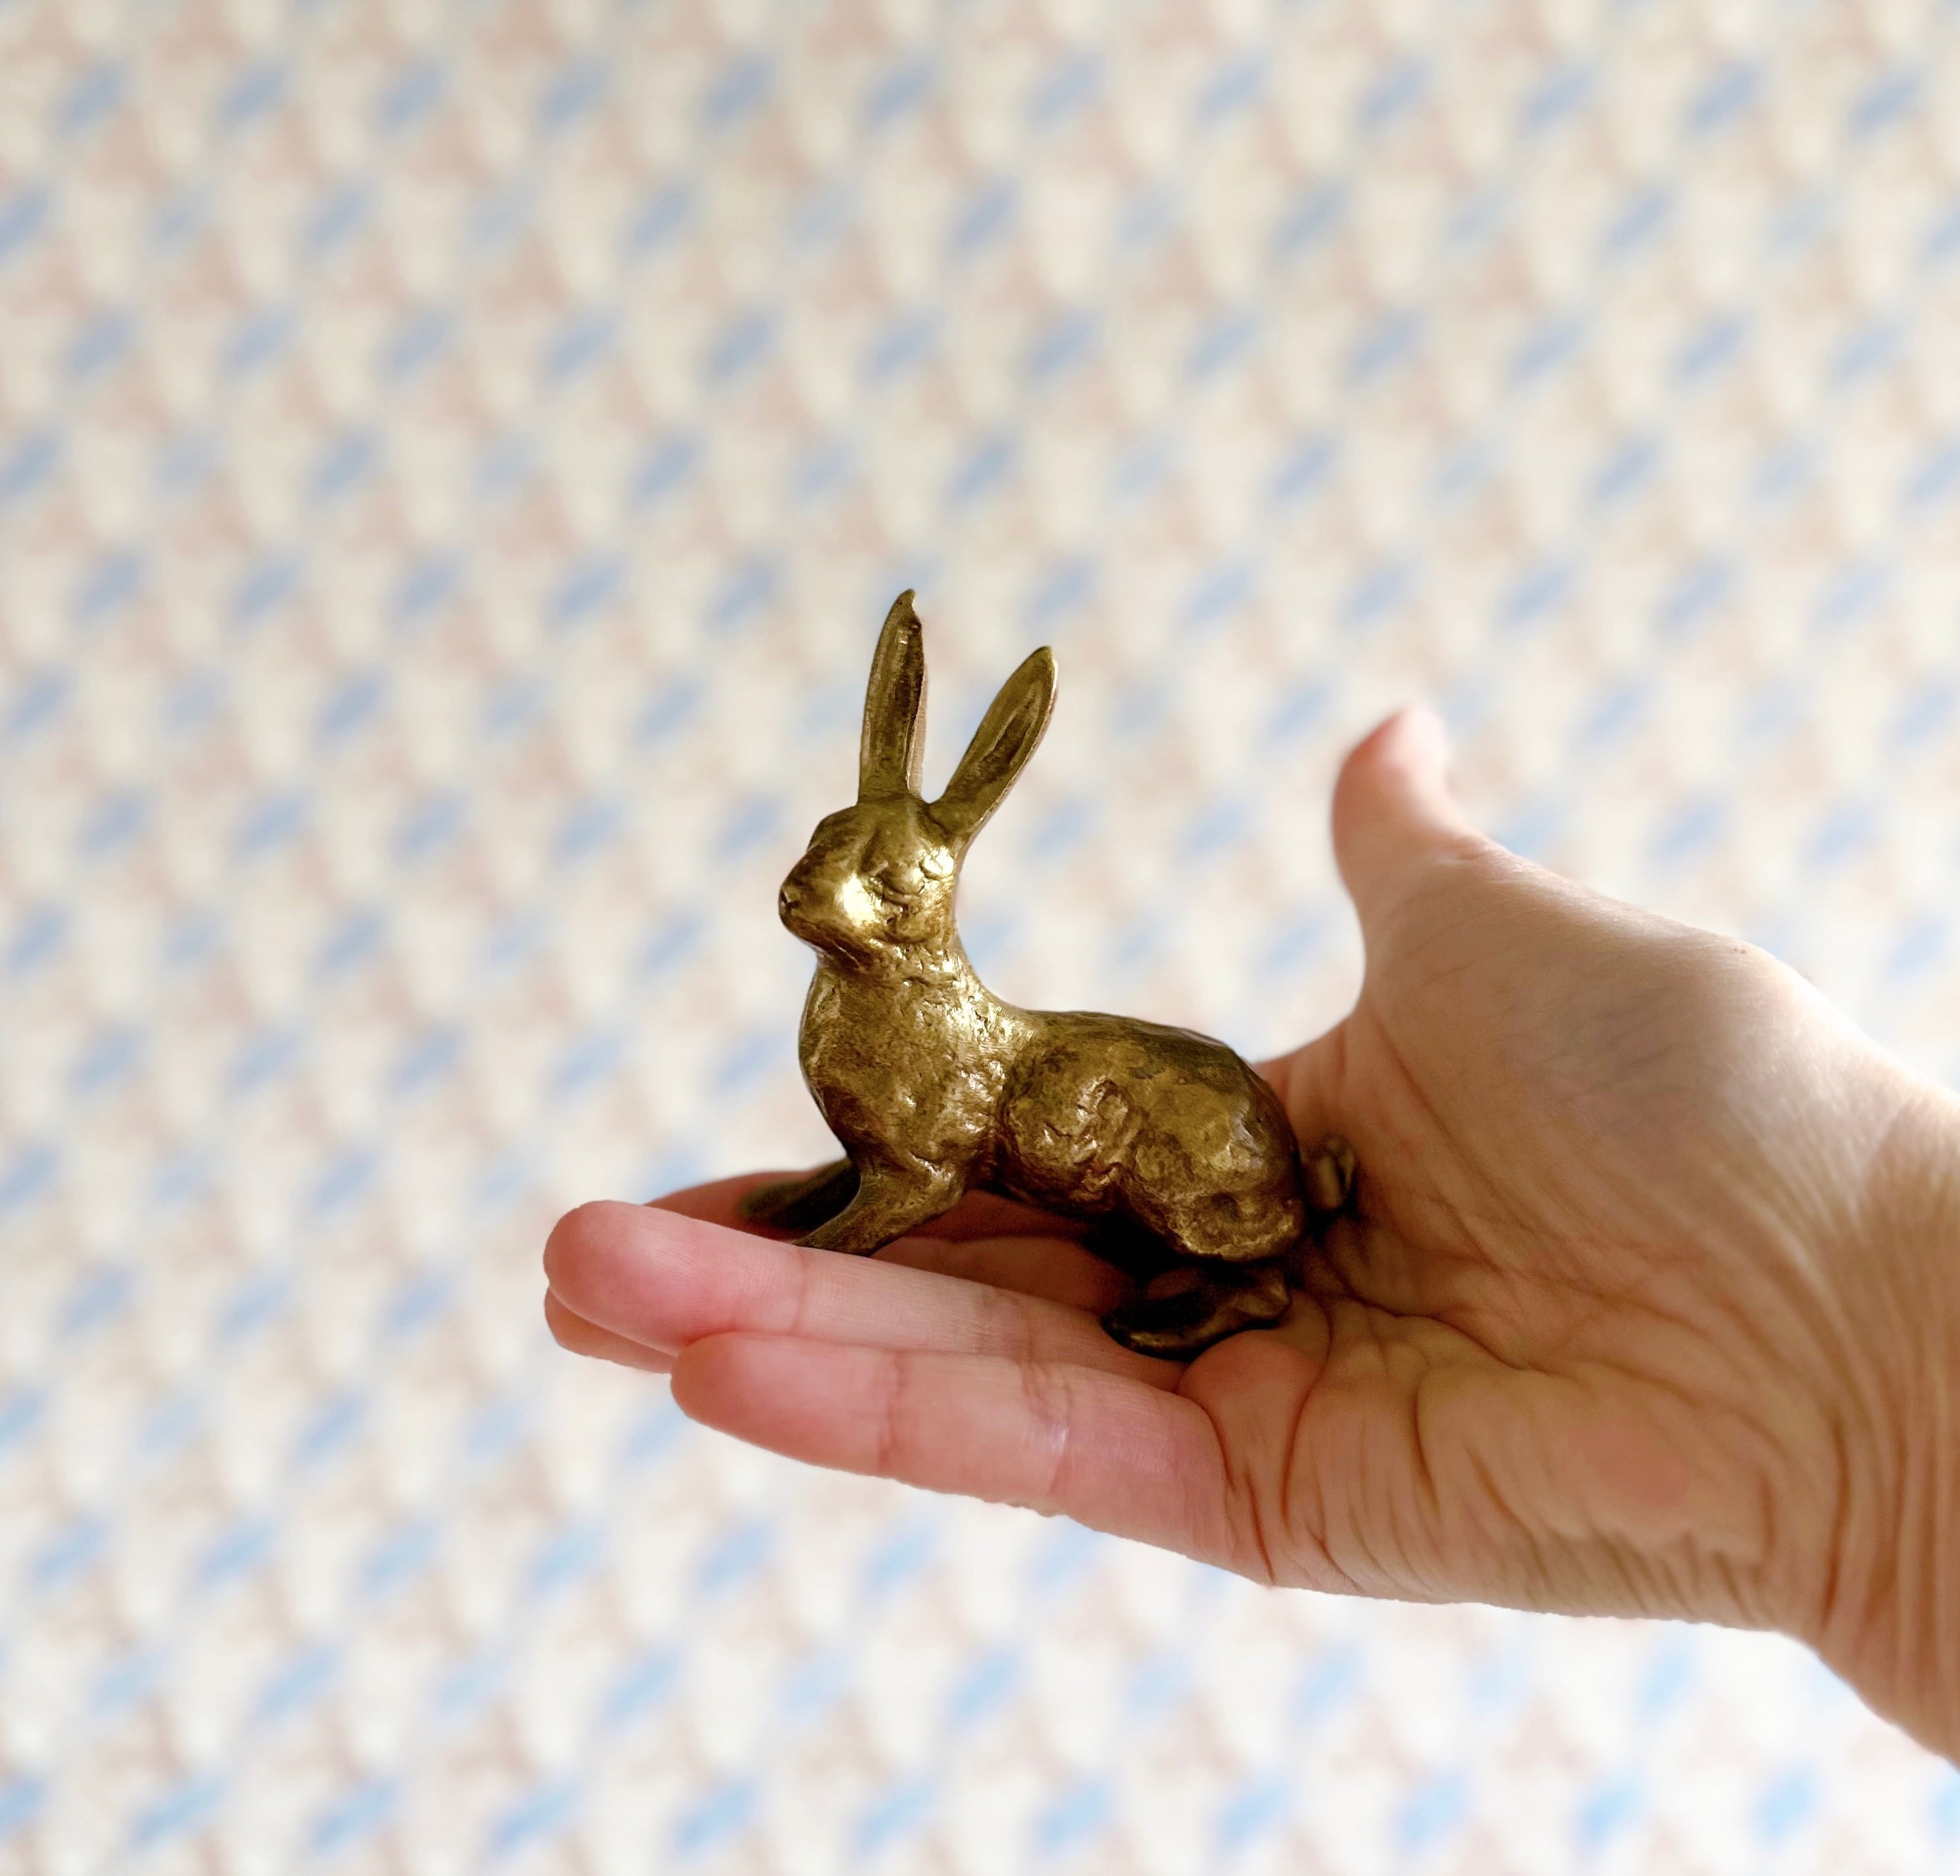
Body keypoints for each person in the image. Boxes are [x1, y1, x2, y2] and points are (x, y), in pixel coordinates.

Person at [543, 708, 1959, 1763]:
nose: (823, 893)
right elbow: (900, 1157)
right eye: (826, 862)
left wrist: (842, 1231)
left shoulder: (933, 1045)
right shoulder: (872, 1026)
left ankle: (1245, 1282)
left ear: (936, 900)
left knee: (1056, 1186)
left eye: (880, 886)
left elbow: (919, 1177)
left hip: (1211, 1176)